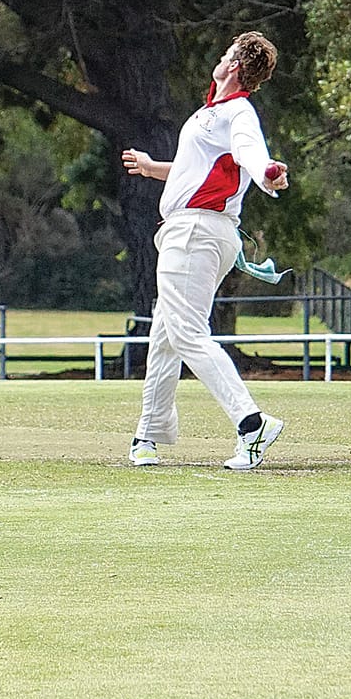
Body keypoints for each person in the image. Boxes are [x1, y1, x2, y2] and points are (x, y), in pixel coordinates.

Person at [119, 32, 291, 470]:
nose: (220, 58)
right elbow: (194, 169)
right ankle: (148, 434)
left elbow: (251, 153)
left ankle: (251, 423)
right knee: (166, 334)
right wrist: (151, 168)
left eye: (226, 53)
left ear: (234, 65)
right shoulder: (210, 113)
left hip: (196, 232)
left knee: (186, 334)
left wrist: (268, 173)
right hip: (195, 231)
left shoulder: (237, 111)